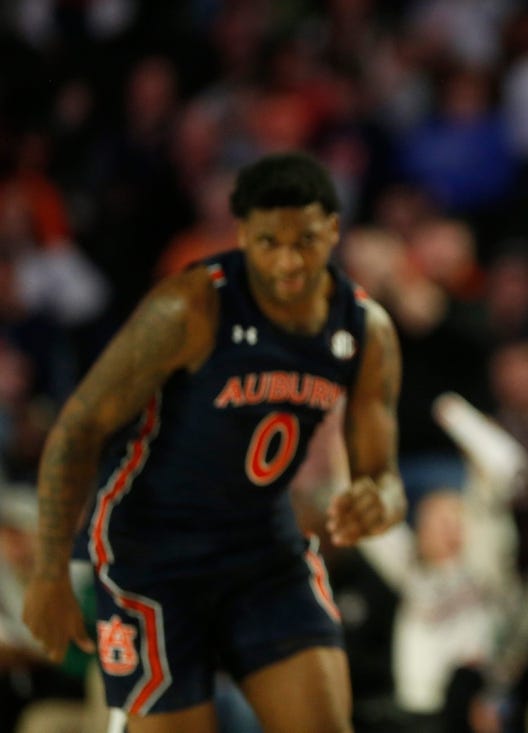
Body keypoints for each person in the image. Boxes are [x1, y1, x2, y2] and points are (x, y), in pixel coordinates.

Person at [21, 151, 407, 733]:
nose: (287, 261)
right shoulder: (191, 306)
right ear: (242, 236)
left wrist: (378, 500)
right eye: (267, 242)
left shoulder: (364, 328)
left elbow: (385, 478)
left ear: (332, 229)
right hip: (155, 553)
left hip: (262, 548)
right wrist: (49, 572)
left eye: (304, 239)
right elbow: (79, 426)